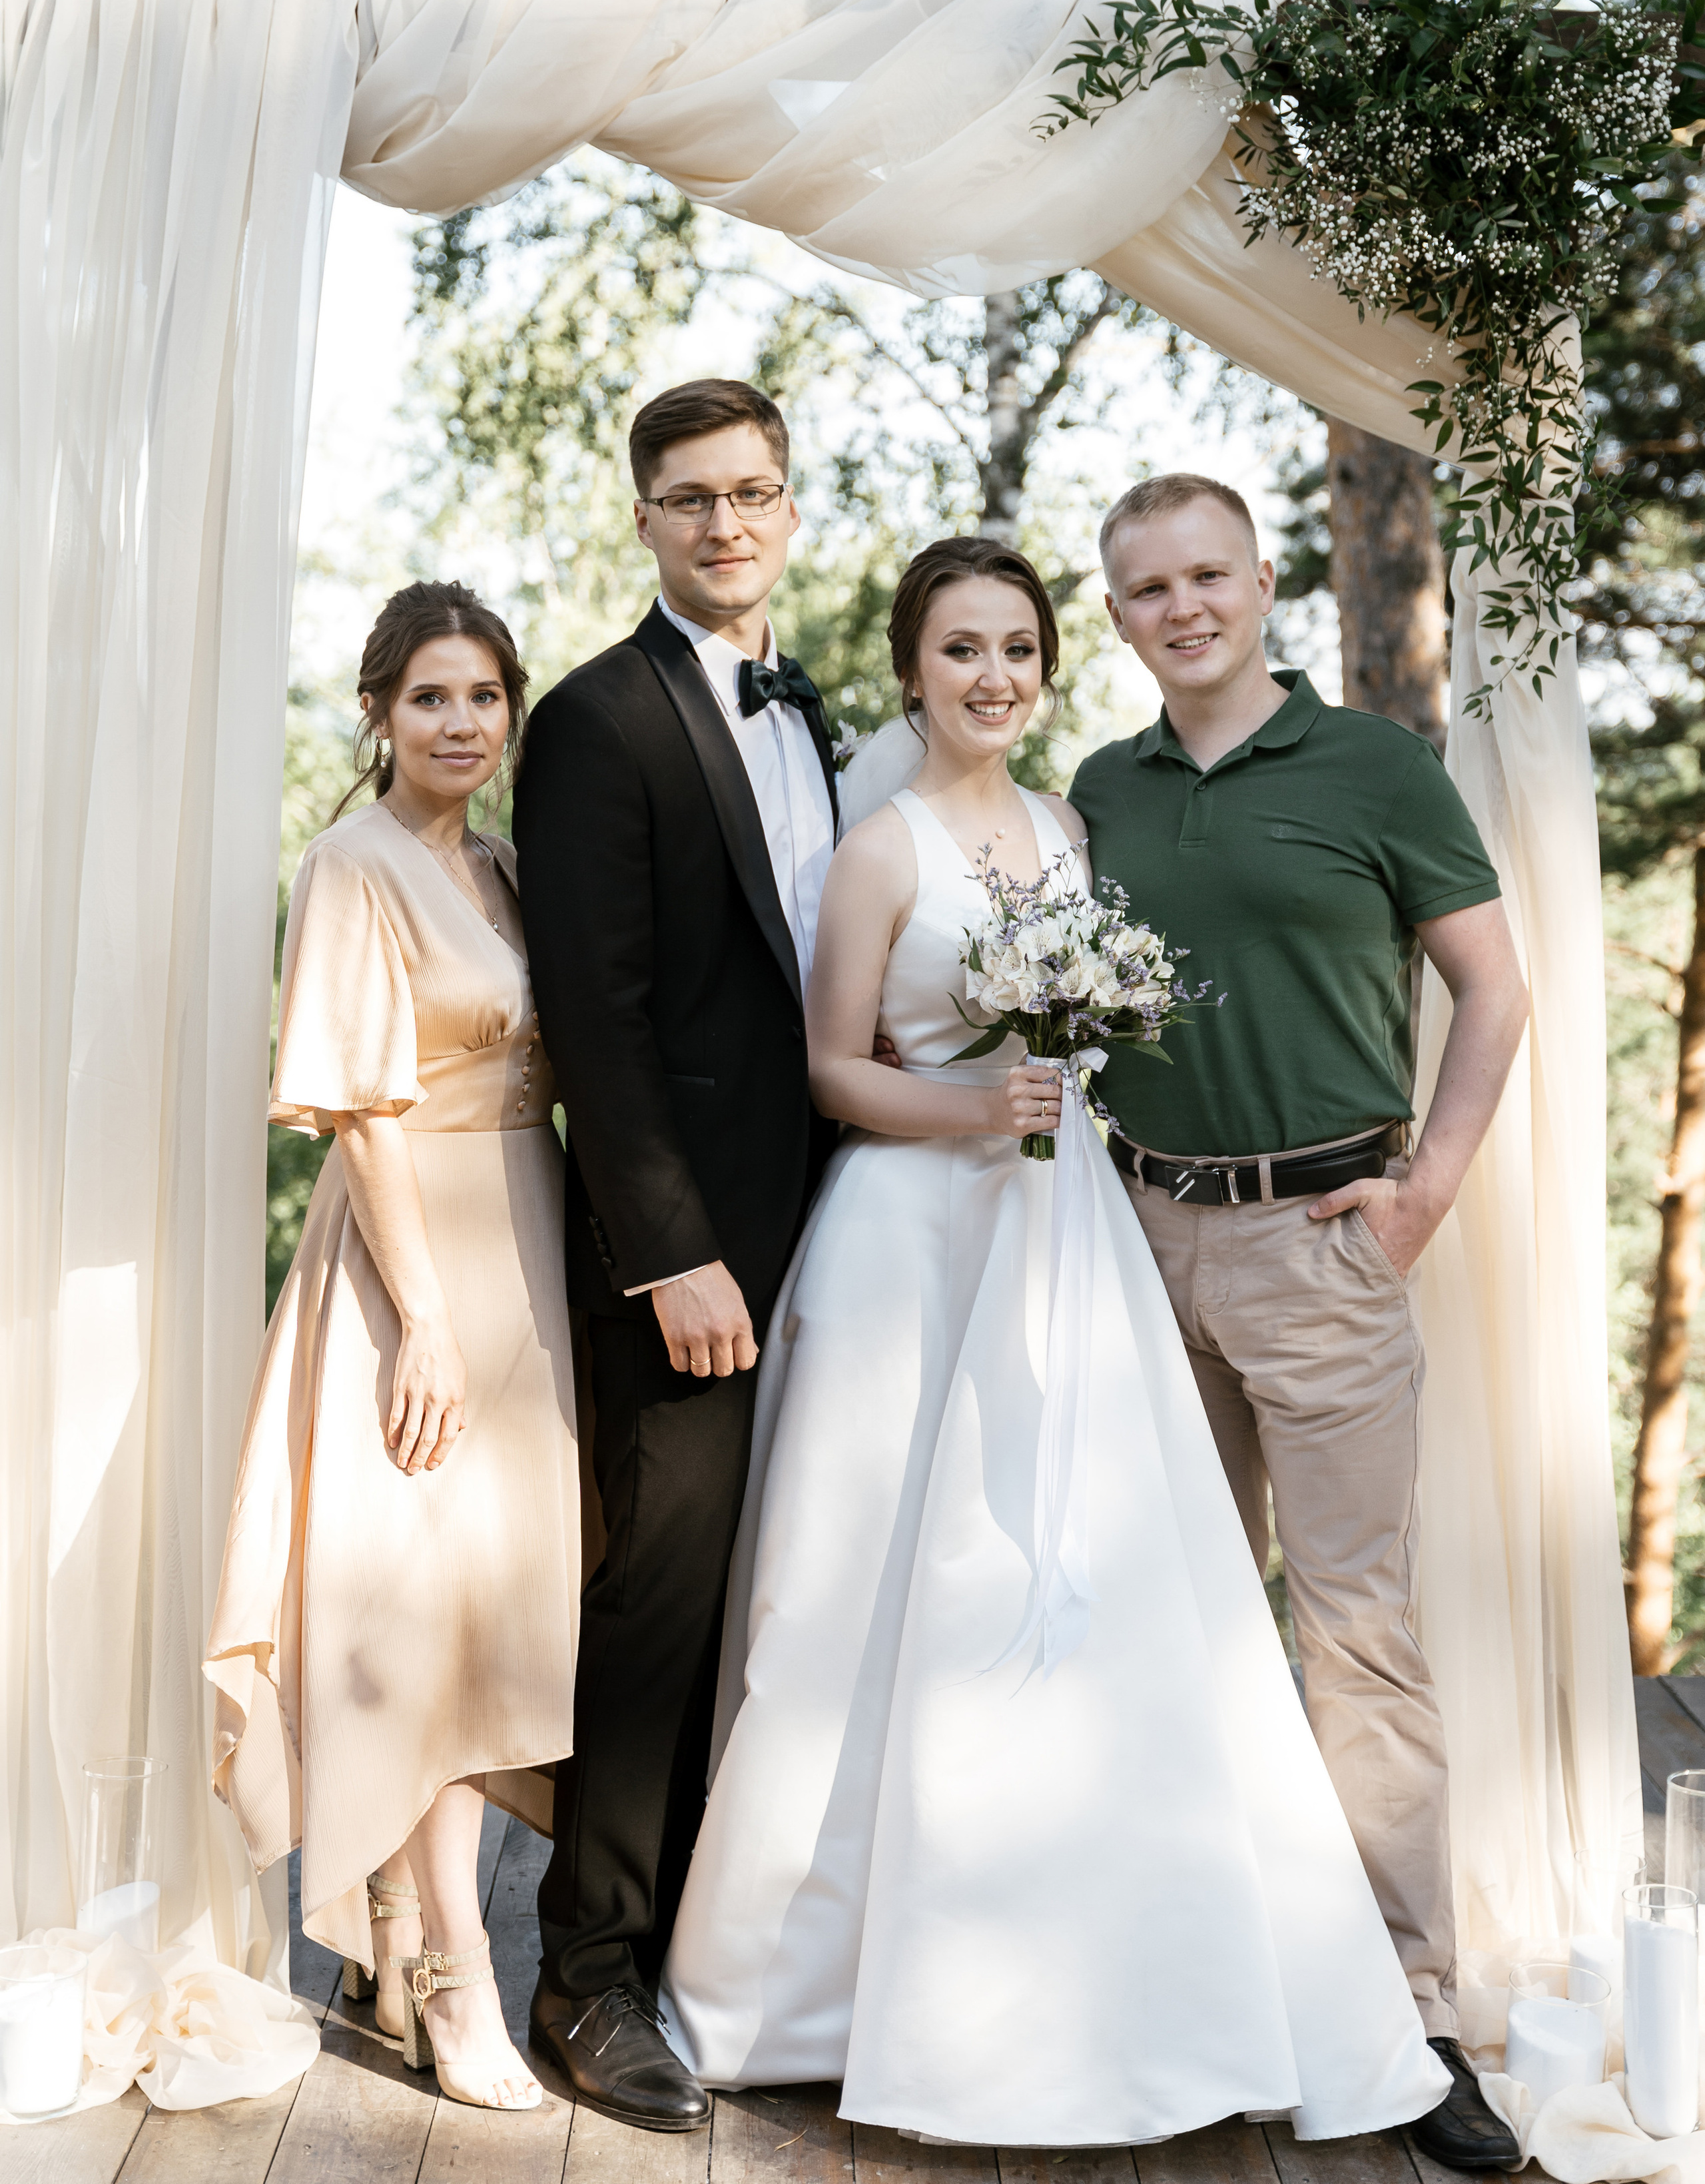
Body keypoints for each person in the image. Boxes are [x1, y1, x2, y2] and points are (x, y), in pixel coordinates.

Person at [655, 536, 1451, 2149]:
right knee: (866, 1591)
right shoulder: (879, 852)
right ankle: (808, 1991)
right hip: (909, 1243)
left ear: (1043, 664)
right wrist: (971, 1104)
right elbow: (827, 1070)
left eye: (1015, 650)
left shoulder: (1075, 826)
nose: (991, 679)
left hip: (1063, 1228)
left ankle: (1140, 1973)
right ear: (911, 671)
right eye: (960, 652)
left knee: (1090, 1580)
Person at [1070, 473, 1531, 2172]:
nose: (1180, 607)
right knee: (1170, 1635)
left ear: (1259, 581)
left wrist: (1425, 1193)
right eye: (1143, 589)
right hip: (1135, 1241)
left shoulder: (1371, 769)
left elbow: (1492, 986)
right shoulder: (1098, 791)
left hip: (1318, 1241)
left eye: (1205, 575)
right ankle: (1198, 1987)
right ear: (1112, 611)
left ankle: (1410, 2018)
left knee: (1353, 1637)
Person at [512, 378, 841, 2133]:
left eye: (757, 493)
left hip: (840, 1235)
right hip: (690, 1255)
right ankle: (588, 1975)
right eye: (693, 497)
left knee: (782, 1596)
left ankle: (731, 1945)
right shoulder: (596, 719)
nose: (728, 524)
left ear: (793, 509)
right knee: (660, 1600)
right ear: (642, 517)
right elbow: (599, 1020)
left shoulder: (819, 715)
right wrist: (671, 1255)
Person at [206, 580, 581, 2116]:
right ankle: (452, 1972)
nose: (461, 723)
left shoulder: (500, 866)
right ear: (377, 711)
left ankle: (393, 1920)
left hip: (529, 1242)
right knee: (421, 1618)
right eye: (430, 696)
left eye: (484, 697)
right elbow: (358, 1111)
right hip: (412, 1263)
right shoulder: (351, 866)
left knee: (497, 1617)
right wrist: (420, 1323)